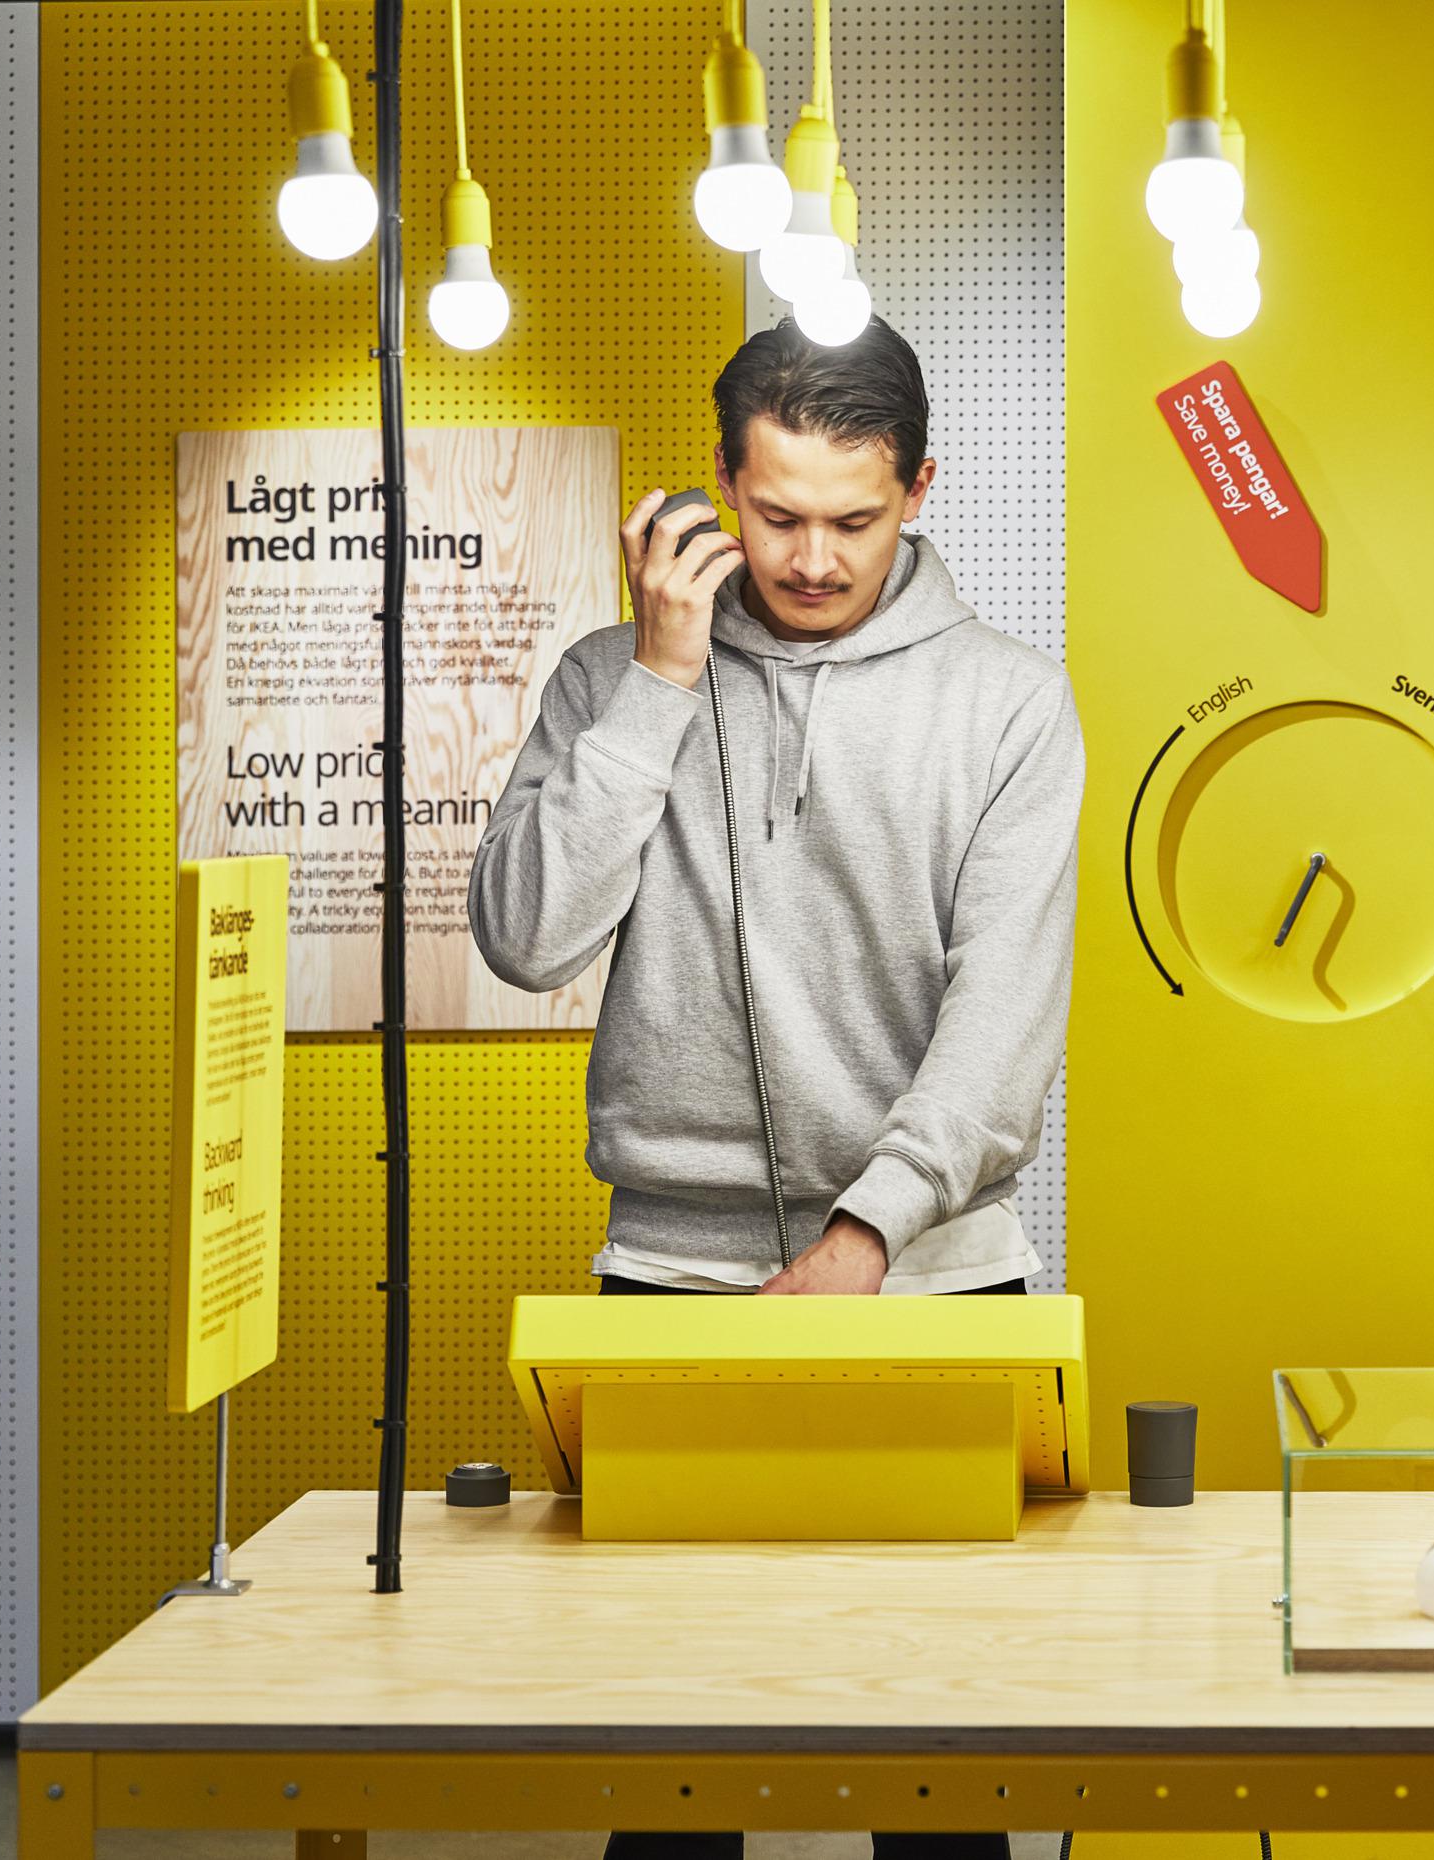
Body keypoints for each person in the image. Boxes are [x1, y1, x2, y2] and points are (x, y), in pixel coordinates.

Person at [468, 315, 1084, 1860]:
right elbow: (528, 938)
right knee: (669, 1764)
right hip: (671, 1276)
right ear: (714, 497)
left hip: (934, 1286)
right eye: (777, 515)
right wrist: (665, 685)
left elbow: (1002, 1027)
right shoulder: (609, 679)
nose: (812, 558)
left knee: (946, 1772)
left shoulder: (1011, 704)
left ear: (921, 487)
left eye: (855, 521)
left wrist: (861, 1240)